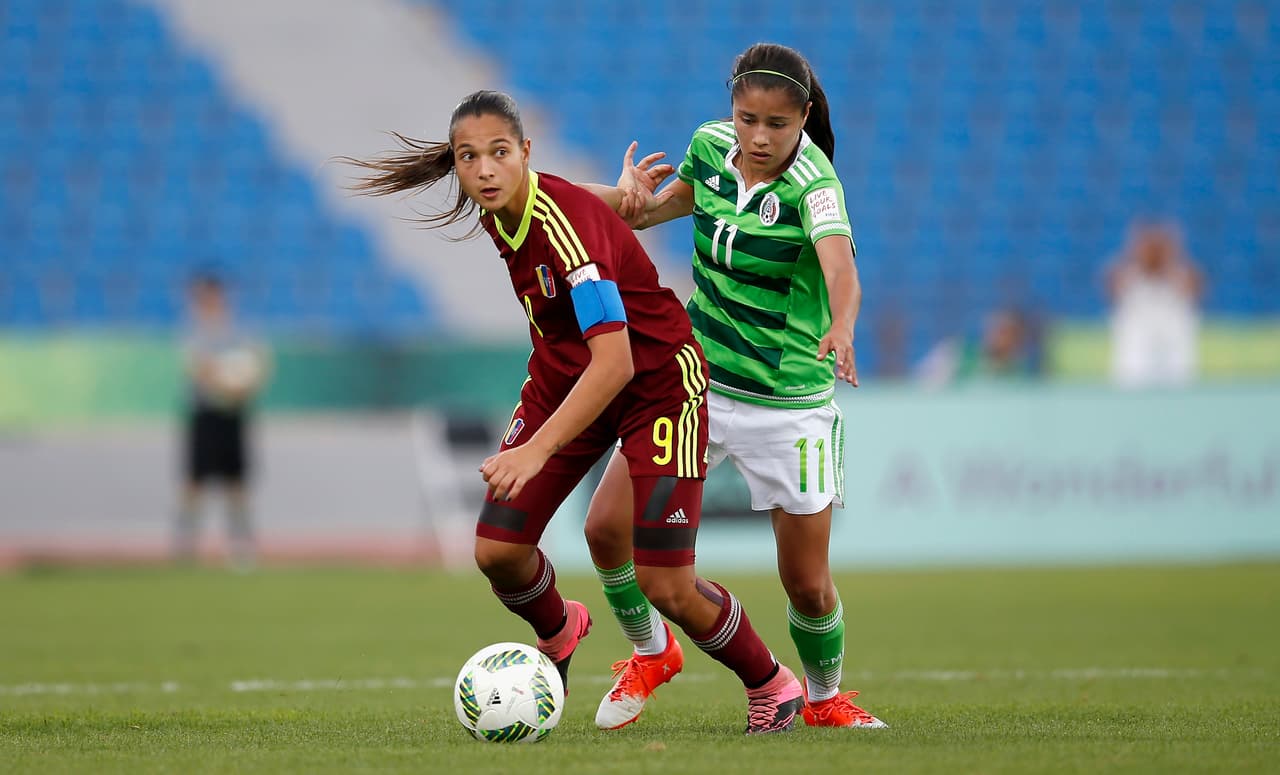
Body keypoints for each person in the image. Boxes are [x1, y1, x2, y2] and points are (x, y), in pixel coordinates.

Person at [344, 90, 806, 734]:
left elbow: (614, 361)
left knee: (667, 585)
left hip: (656, 388)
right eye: (468, 157)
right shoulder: (504, 202)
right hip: (564, 381)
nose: (483, 170)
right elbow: (578, 197)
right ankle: (561, 632)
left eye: (499, 153)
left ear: (525, 153)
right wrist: (621, 193)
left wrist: (535, 450)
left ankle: (773, 685)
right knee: (498, 551)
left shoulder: (563, 236)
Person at [582, 43, 886, 730]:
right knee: (604, 528)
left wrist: (842, 325)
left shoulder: (815, 184)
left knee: (807, 583)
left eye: (776, 124)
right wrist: (629, 199)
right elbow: (656, 212)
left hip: (789, 405)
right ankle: (651, 653)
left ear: (804, 118)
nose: (757, 136)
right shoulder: (710, 147)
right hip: (696, 384)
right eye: (747, 118)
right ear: (731, 109)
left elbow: (841, 267)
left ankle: (823, 696)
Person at [176, 273, 270, 570]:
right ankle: (186, 545)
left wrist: (244, 383)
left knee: (236, 483)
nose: (210, 301)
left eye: (214, 295)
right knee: (194, 481)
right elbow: (196, 368)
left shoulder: (241, 331)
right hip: (205, 414)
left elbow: (259, 365)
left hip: (234, 414)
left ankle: (241, 545)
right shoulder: (194, 331)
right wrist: (224, 380)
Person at [1105, 222, 1203, 388]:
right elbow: (1113, 286)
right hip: (1134, 362)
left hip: (1174, 359)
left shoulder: (1182, 277)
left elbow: (1195, 288)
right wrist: (1136, 254)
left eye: (1158, 249)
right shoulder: (1127, 277)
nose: (1153, 254)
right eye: (1149, 249)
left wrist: (1170, 258)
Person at [914, 308, 1036, 386]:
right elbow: (923, 382)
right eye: (995, 329)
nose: (997, 336)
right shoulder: (959, 352)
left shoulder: (1020, 371)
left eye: (1006, 332)